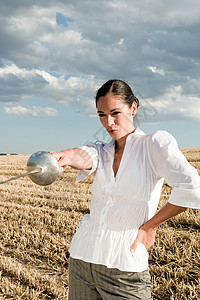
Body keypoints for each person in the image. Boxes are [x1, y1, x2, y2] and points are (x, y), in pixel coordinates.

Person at [52, 79, 200, 300]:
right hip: (82, 260)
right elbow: (81, 156)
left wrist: (151, 226)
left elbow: (193, 188)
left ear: (133, 108)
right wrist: (61, 157)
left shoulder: (154, 144)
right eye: (101, 115)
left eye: (115, 113)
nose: (108, 122)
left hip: (124, 267)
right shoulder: (102, 150)